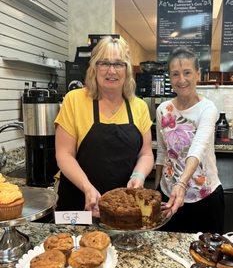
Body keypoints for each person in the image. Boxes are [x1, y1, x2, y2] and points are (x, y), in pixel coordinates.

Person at [55, 36, 154, 216]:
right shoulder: (74, 100)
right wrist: (87, 188)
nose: (111, 70)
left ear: (127, 70)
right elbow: (64, 154)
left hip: (124, 209)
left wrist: (138, 176)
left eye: (118, 64)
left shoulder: (139, 106)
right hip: (78, 204)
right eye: (104, 63)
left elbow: (146, 153)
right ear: (94, 67)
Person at [155, 47, 224, 233]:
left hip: (203, 198)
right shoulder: (163, 110)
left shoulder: (207, 109)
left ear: (198, 75)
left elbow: (198, 147)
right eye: (175, 74)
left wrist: (181, 183)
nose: (182, 80)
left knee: (204, 257)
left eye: (187, 73)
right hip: (168, 196)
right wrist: (156, 189)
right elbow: (162, 152)